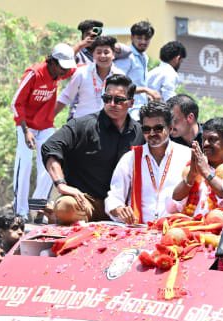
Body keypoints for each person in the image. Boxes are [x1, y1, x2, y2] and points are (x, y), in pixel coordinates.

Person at [44, 74, 142, 224]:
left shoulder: (140, 132)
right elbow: (50, 147)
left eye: (119, 100)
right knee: (65, 206)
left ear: (131, 103)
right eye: (107, 99)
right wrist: (62, 185)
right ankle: (57, 214)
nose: (112, 103)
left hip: (123, 206)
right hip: (85, 202)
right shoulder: (83, 125)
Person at [10, 43, 77, 219]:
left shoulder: (60, 73)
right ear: (52, 62)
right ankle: (21, 212)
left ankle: (38, 208)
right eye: (62, 67)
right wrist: (25, 131)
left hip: (46, 125)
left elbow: (76, 67)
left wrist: (83, 44)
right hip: (26, 125)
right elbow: (16, 103)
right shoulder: (34, 74)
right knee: (24, 165)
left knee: (49, 166)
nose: (64, 73)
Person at [105, 101, 189, 224]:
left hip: (176, 231)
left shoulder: (187, 156)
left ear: (170, 128)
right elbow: (114, 196)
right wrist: (118, 209)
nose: (151, 133)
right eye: (146, 129)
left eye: (158, 128)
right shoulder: (130, 158)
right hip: (138, 230)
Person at [168, 117, 223, 217]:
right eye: (204, 139)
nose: (206, 144)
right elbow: (172, 206)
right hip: (192, 229)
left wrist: (207, 174)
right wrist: (191, 176)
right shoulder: (193, 167)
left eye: (212, 139)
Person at [56, 35, 125, 121]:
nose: (102, 56)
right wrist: (48, 118)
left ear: (113, 54)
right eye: (99, 52)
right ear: (93, 54)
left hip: (108, 126)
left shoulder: (120, 76)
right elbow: (66, 97)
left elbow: (124, 103)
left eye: (106, 52)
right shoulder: (81, 73)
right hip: (82, 124)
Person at [115, 21, 155, 117]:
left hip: (140, 109)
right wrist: (146, 90)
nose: (143, 42)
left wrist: (147, 95)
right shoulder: (127, 56)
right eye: (139, 38)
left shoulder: (144, 57)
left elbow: (139, 83)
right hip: (127, 111)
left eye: (146, 39)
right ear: (132, 37)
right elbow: (118, 84)